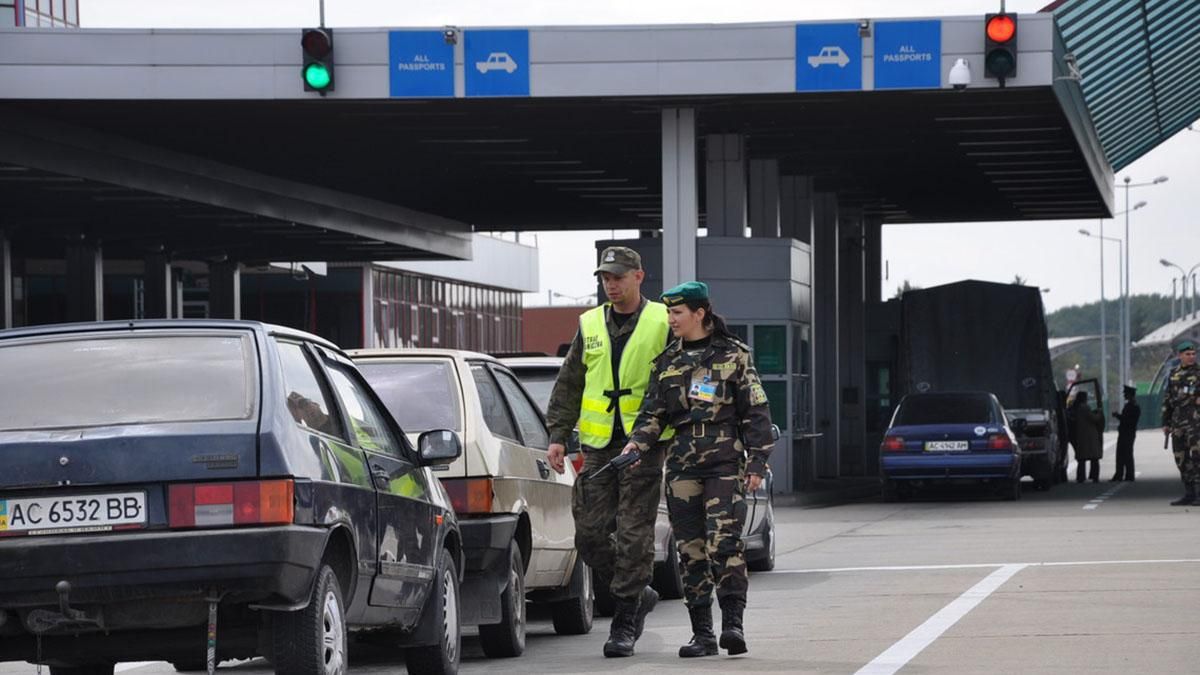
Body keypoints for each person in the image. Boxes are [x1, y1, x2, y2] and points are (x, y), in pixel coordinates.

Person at [622, 281, 774, 658]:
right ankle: (702, 634)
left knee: (724, 542)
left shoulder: (734, 355)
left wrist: (757, 461)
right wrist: (636, 444)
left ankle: (733, 625)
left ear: (699, 313)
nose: (671, 319)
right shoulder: (667, 362)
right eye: (669, 312)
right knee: (690, 550)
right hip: (682, 465)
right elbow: (652, 414)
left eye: (677, 313)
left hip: (724, 462)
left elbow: (756, 412)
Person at [544, 246, 672, 658]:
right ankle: (639, 591)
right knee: (589, 534)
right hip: (599, 446)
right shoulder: (590, 323)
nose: (611, 285)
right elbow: (570, 382)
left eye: (618, 277)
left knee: (635, 533)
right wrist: (559, 435)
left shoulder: (661, 320)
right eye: (605, 278)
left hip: (644, 443)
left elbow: (678, 379)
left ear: (639, 276)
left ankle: (625, 620)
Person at [1162, 340, 1200, 506]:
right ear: (1180, 356)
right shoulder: (1173, 374)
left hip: (1196, 423)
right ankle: (1189, 493)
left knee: (1198, 457)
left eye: (1193, 354)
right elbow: (1168, 400)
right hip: (1178, 424)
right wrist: (1166, 422)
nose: (1191, 357)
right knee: (1181, 458)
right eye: (1188, 354)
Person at [1070, 391, 1104, 483]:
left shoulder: (1077, 408)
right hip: (1090, 436)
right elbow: (1094, 418)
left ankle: (1081, 477)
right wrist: (1099, 413)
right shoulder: (1085, 407)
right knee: (1094, 457)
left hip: (1081, 435)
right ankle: (1094, 476)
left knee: (1082, 458)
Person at [1110, 385, 1140, 481]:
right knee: (1123, 454)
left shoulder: (1133, 407)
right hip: (1126, 432)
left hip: (1127, 432)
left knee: (1126, 453)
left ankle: (1126, 475)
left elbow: (1127, 420)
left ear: (1130, 395)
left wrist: (1118, 415)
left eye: (1125, 393)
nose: (1124, 395)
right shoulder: (1131, 406)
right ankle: (1123, 474)